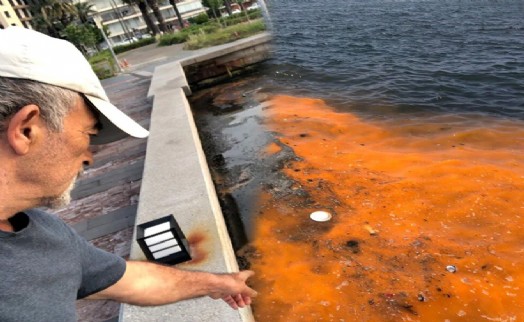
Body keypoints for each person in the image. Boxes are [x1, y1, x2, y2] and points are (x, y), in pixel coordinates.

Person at [0, 27, 256, 321]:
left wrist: (218, 283)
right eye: (87, 134)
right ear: (26, 130)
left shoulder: (42, 231)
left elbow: (131, 281)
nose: (89, 157)